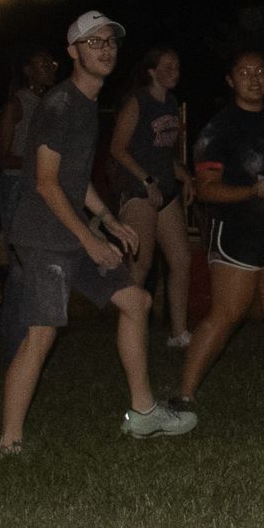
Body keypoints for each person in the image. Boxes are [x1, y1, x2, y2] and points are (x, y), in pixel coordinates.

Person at [0, 11, 192, 450]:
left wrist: (107, 219)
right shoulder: (61, 105)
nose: (104, 49)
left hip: (71, 230)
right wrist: (91, 239)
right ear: (73, 52)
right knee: (42, 333)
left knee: (136, 301)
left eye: (109, 42)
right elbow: (46, 183)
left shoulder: (86, 105)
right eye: (93, 42)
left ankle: (143, 414)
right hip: (44, 236)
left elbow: (72, 177)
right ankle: (9, 442)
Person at [178, 51, 264, 405]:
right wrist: (253, 191)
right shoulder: (219, 128)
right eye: (244, 72)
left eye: (261, 71)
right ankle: (184, 394)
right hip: (237, 230)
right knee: (227, 314)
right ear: (230, 80)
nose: (254, 79)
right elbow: (206, 188)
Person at [104, 41, 198, 350]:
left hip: (165, 189)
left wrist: (186, 178)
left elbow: (162, 153)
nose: (174, 72)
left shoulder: (171, 103)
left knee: (181, 259)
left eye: (178, 67)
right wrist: (147, 181)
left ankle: (179, 333)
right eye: (167, 67)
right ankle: (131, 329)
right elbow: (118, 148)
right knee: (141, 263)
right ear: (151, 71)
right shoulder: (137, 101)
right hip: (137, 188)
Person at [0, 44, 59, 256]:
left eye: (52, 64)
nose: (50, 68)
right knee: (20, 258)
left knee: (38, 255)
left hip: (41, 185)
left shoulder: (50, 102)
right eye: (43, 64)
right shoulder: (17, 104)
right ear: (28, 71)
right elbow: (2, 159)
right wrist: (39, 162)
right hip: (17, 186)